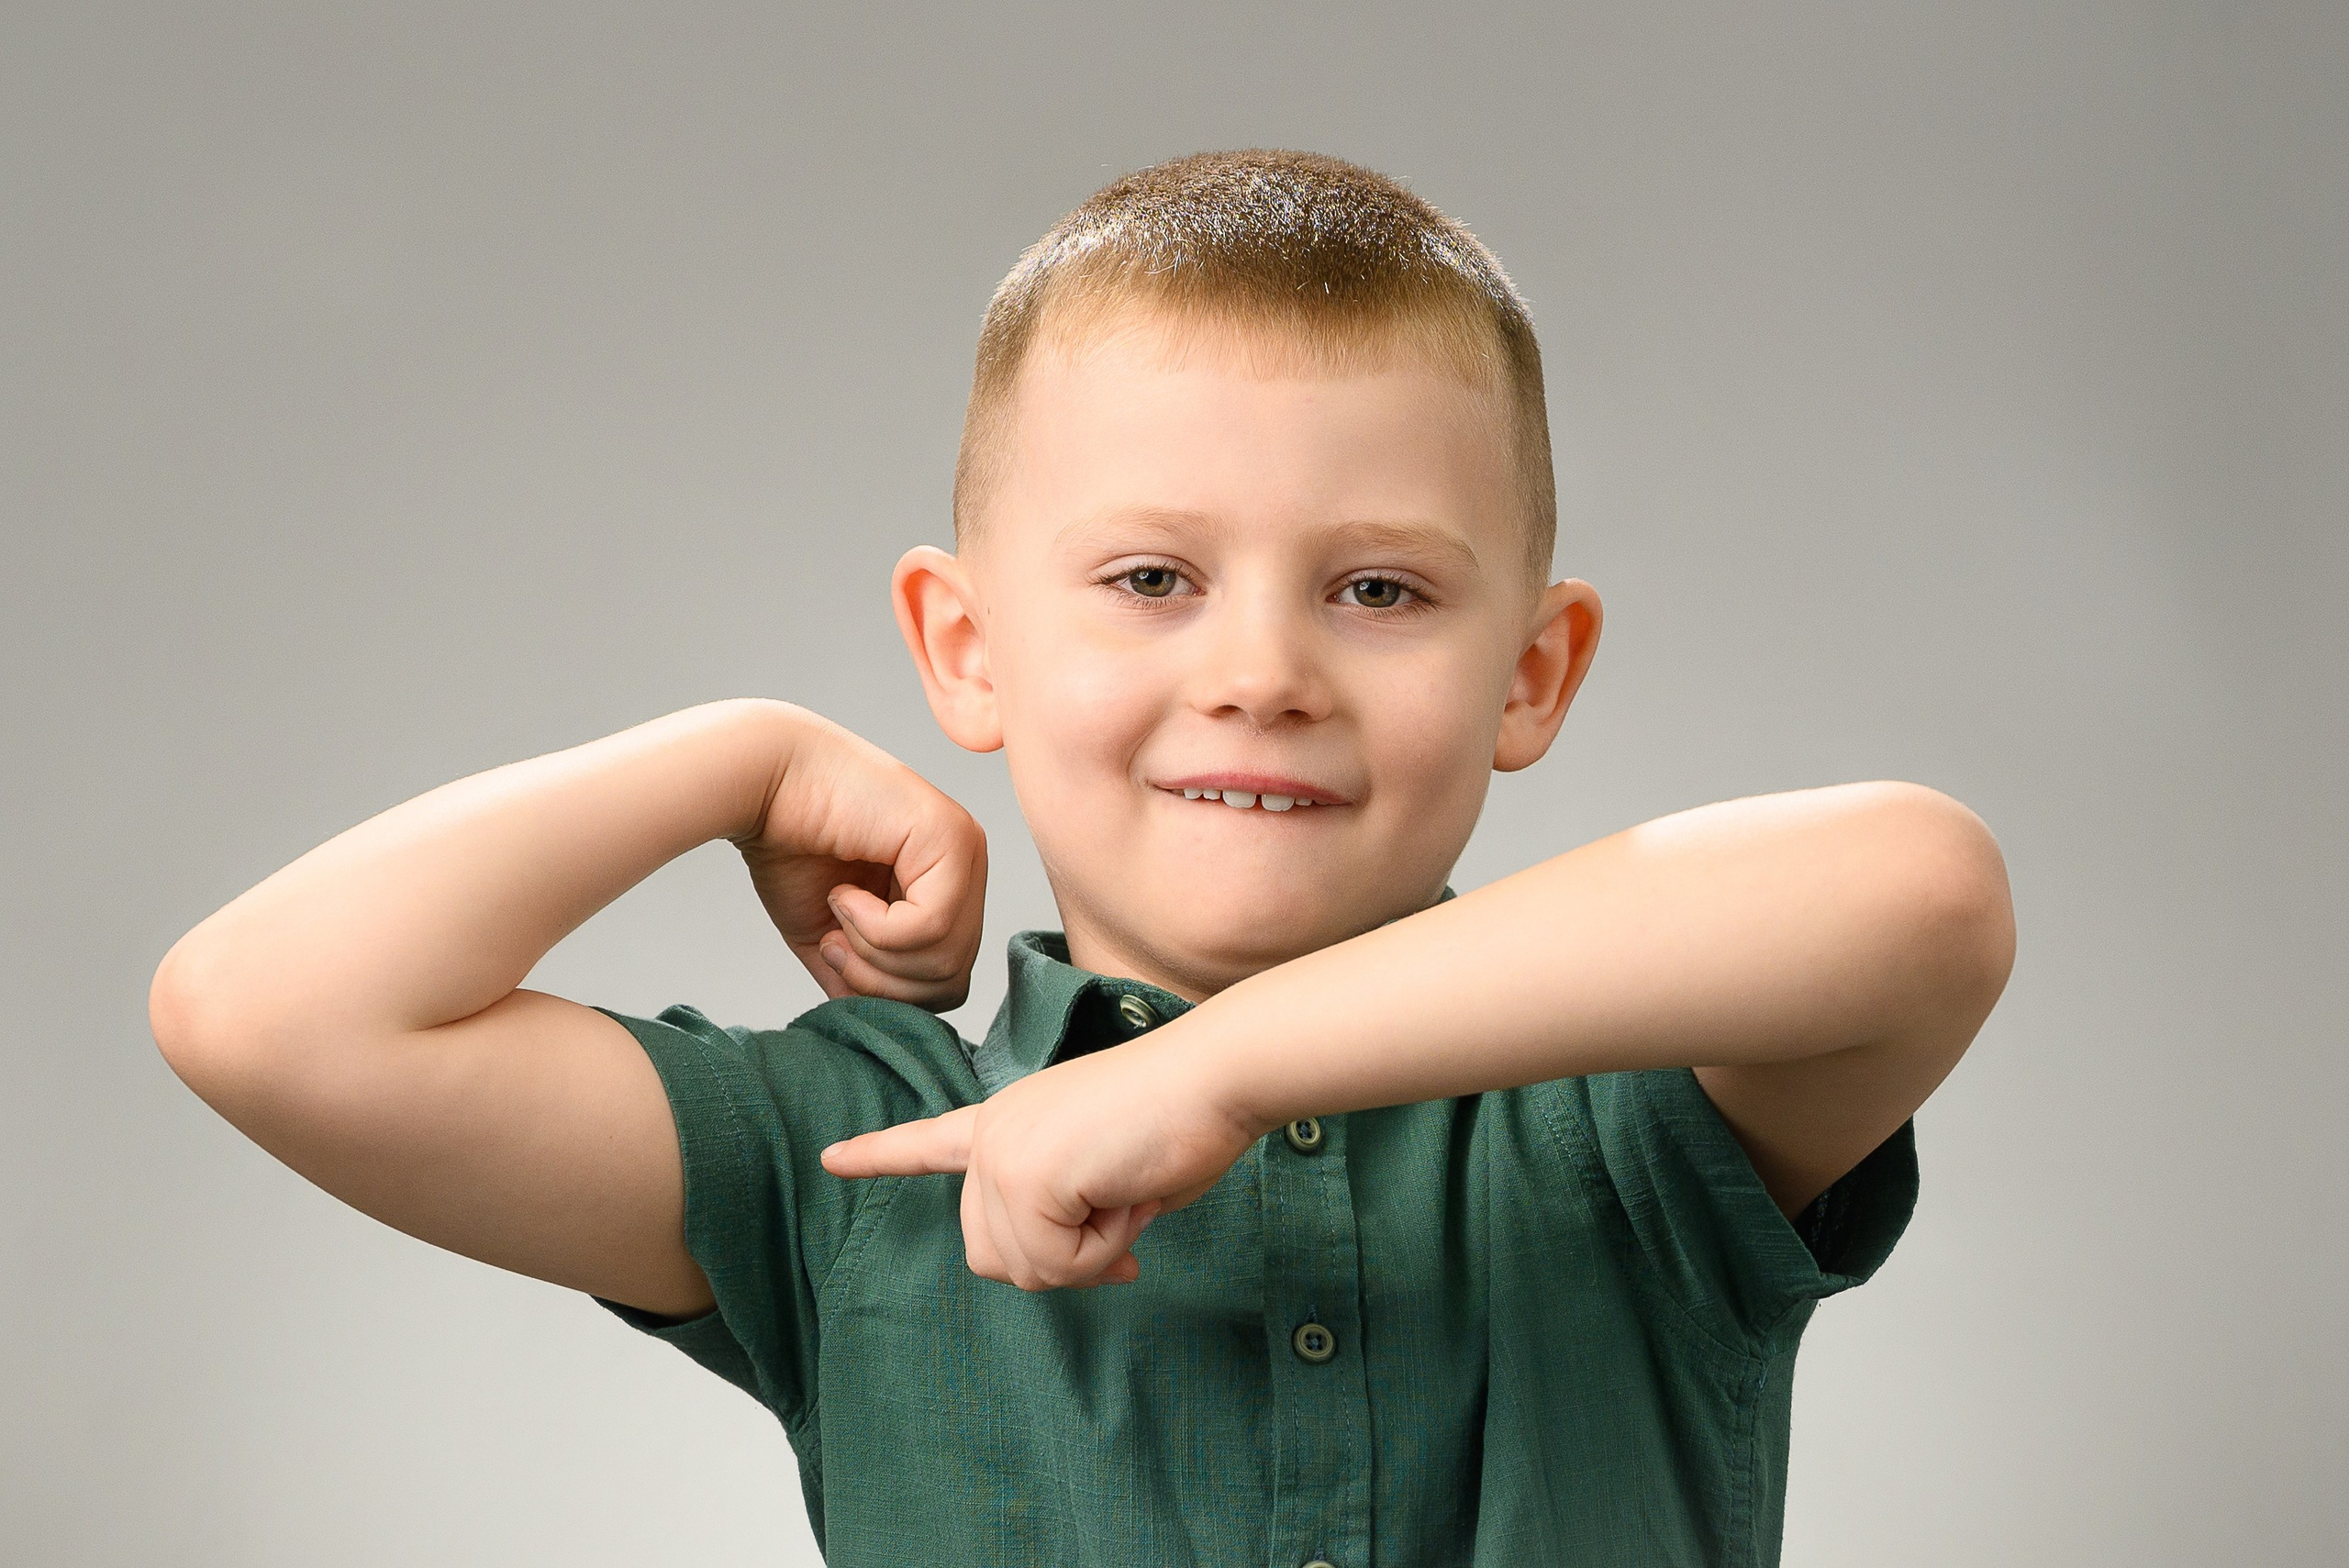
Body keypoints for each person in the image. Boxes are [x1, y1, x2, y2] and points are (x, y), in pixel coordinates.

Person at [150, 150, 2015, 1566]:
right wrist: (739, 757)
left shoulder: (1631, 1128)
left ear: (1529, 675)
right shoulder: (852, 1159)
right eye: (1148, 580)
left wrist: (1216, 1066)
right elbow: (264, 1013)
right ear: (964, 646)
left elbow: (1918, 893)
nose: (1260, 674)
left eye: (1377, 589)